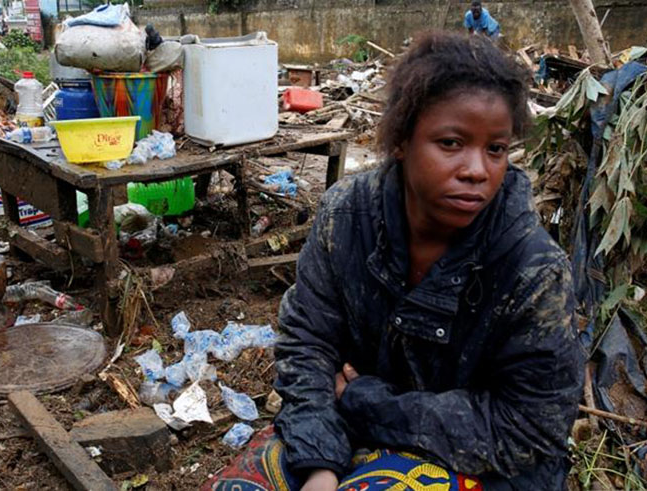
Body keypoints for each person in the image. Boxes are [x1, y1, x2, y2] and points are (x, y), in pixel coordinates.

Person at [204, 31, 585, 491]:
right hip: (347, 429)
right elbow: (307, 341)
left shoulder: (532, 270)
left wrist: (372, 403)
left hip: (483, 463)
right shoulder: (346, 217)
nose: (476, 170)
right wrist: (321, 466)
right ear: (401, 141)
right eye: (450, 143)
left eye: (496, 149)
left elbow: (529, 426)